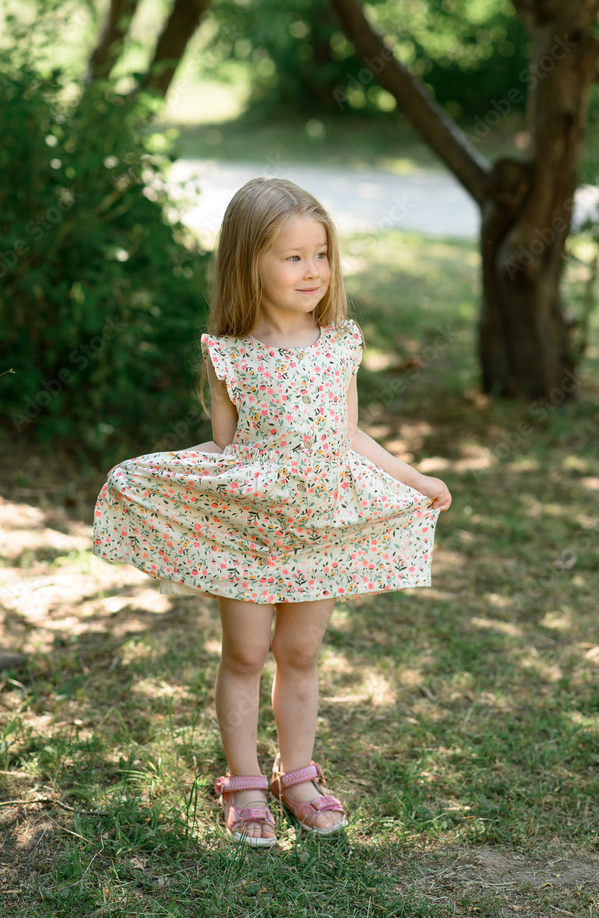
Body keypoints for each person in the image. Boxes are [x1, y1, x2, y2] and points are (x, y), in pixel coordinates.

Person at [93, 177, 451, 849]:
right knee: (246, 652)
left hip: (319, 529)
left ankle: (298, 777)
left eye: (321, 254)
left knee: (301, 651)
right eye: (293, 257)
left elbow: (350, 434)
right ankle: (245, 781)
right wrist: (168, 476)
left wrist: (412, 478)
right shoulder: (230, 353)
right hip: (251, 531)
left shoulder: (340, 343)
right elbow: (228, 451)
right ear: (249, 263)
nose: (312, 270)